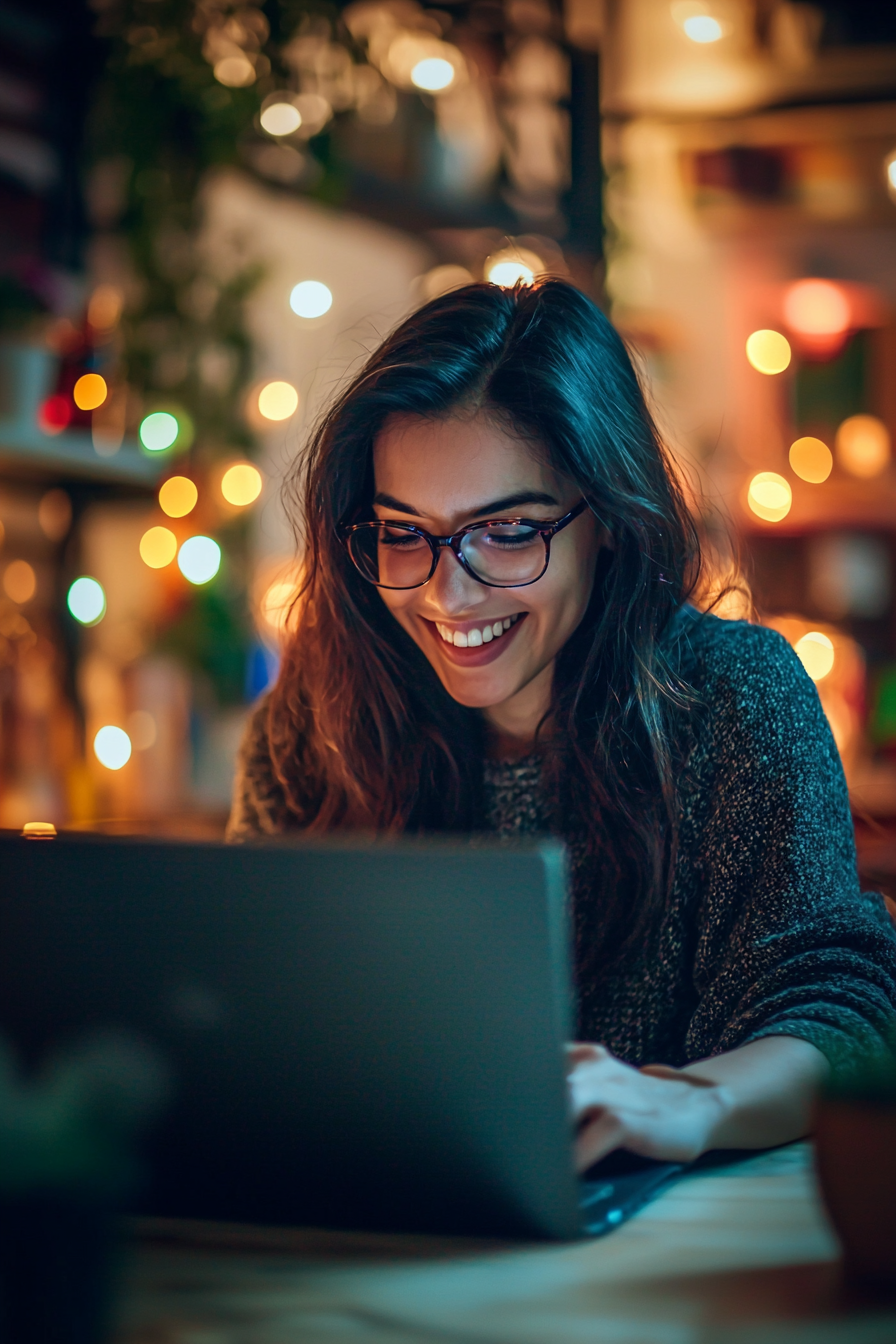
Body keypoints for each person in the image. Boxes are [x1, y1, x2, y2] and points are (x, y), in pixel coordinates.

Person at [228, 279, 896, 1173]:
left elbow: (840, 1010)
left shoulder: (735, 698)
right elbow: (244, 1027)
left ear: (609, 520)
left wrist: (688, 1100)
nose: (446, 593)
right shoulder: (312, 727)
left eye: (505, 531)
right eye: (403, 531)